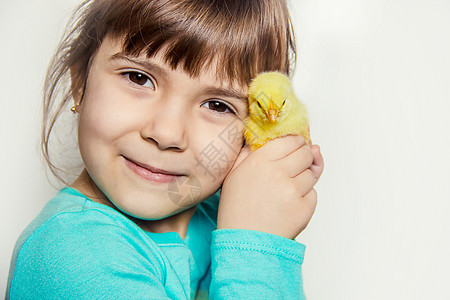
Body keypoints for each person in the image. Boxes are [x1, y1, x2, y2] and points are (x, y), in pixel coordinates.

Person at [6, 0, 324, 298]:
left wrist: (265, 206)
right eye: (138, 78)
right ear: (80, 84)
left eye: (217, 105)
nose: (166, 134)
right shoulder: (74, 253)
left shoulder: (222, 219)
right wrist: (259, 248)